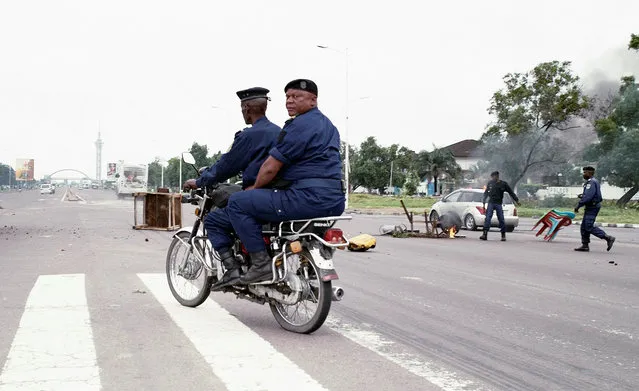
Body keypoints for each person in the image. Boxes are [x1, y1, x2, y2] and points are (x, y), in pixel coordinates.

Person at [225, 78, 346, 284]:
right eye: (287, 97)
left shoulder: (300, 125)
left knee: (238, 203)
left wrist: (254, 188)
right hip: (335, 200)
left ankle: (261, 265)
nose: (290, 101)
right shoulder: (329, 126)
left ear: (313, 101)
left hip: (306, 198)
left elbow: (270, 167)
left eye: (296, 97)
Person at [183, 87, 281, 291]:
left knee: (214, 220)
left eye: (242, 109)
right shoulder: (280, 132)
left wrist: (200, 181)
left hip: (257, 196)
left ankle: (233, 269)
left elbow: (227, 165)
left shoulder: (250, 135)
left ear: (246, 108)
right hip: (279, 197)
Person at [574, 166, 615, 252]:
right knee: (584, 227)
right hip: (591, 206)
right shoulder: (593, 182)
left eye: (584, 172)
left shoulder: (591, 182)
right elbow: (591, 195)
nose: (583, 174)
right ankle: (585, 245)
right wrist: (582, 195)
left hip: (592, 207)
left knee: (588, 226)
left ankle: (608, 237)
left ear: (589, 173)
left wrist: (578, 205)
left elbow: (588, 197)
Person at [479, 171, 521, 241]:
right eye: (491, 177)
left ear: (497, 176)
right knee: (488, 218)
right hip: (491, 203)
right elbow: (486, 193)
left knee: (501, 219)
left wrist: (516, 200)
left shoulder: (503, 184)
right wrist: (483, 202)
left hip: (498, 203)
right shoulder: (490, 183)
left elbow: (511, 192)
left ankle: (503, 235)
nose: (492, 178)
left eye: (493, 176)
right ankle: (485, 234)